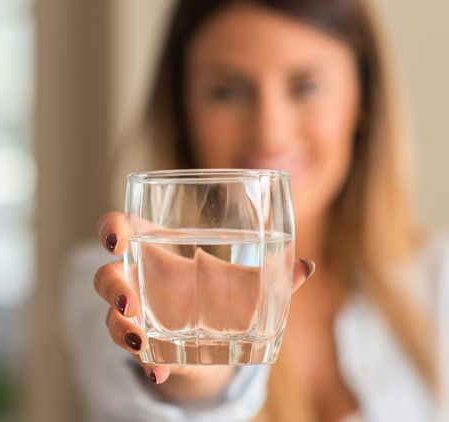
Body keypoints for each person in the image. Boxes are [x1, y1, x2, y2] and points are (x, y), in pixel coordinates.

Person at [61, 0, 449, 421]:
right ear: (183, 107)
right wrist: (194, 369)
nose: (269, 130)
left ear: (364, 100)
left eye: (306, 87)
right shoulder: (117, 281)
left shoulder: (437, 276)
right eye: (226, 91)